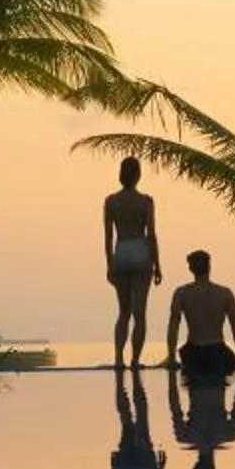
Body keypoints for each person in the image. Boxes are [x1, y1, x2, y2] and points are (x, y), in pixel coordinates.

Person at [103, 156, 160, 365]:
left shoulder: (111, 201)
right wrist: (157, 264)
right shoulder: (146, 201)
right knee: (140, 313)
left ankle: (119, 358)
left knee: (124, 311)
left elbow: (108, 236)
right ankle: (135, 360)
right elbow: (151, 234)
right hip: (140, 251)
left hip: (122, 251)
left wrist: (109, 264)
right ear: (138, 175)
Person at [165, 249, 235, 380]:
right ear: (209, 267)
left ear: (190, 269)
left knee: (195, 392)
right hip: (218, 352)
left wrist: (171, 357)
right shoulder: (224, 293)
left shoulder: (182, 293)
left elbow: (173, 327)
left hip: (192, 353)